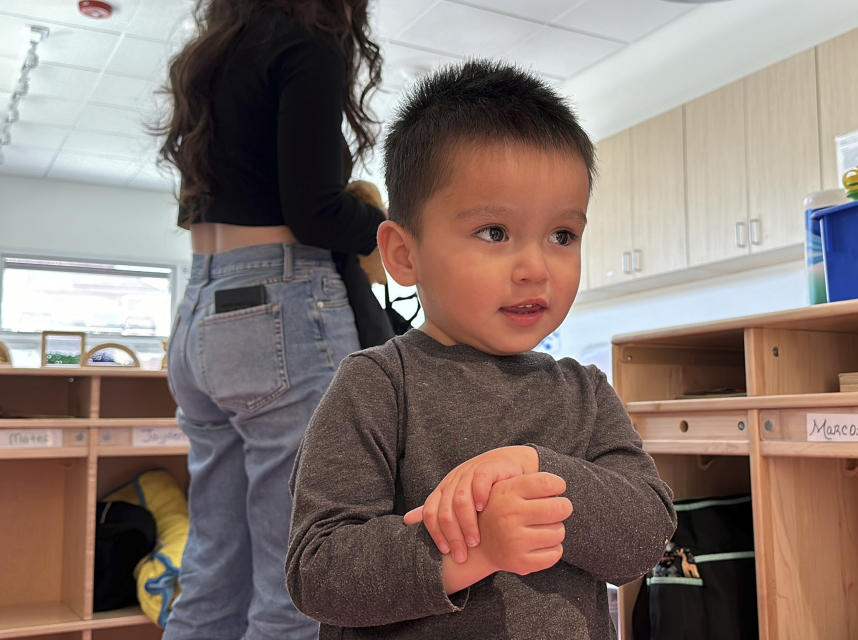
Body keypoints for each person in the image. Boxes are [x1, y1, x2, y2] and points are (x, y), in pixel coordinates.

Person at [286, 60, 677, 639]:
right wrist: (473, 549)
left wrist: (537, 469)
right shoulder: (376, 385)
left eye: (562, 236)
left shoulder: (586, 391)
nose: (535, 268)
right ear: (403, 254)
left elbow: (645, 537)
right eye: (494, 232)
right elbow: (318, 572)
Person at [154, 1, 384, 638]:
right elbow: (313, 213)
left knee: (209, 572)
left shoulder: (215, 51)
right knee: (297, 581)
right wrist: (398, 230)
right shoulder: (308, 45)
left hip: (200, 304)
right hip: (278, 309)